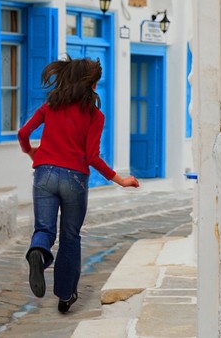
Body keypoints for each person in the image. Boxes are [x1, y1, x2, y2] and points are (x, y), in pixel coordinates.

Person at [18, 56, 139, 314]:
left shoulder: (50, 106)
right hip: (74, 179)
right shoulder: (95, 115)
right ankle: (65, 295)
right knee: (70, 236)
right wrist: (120, 180)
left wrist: (30, 152)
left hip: (44, 174)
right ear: (91, 85)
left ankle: (37, 251)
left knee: (44, 229)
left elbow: (23, 133)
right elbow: (92, 157)